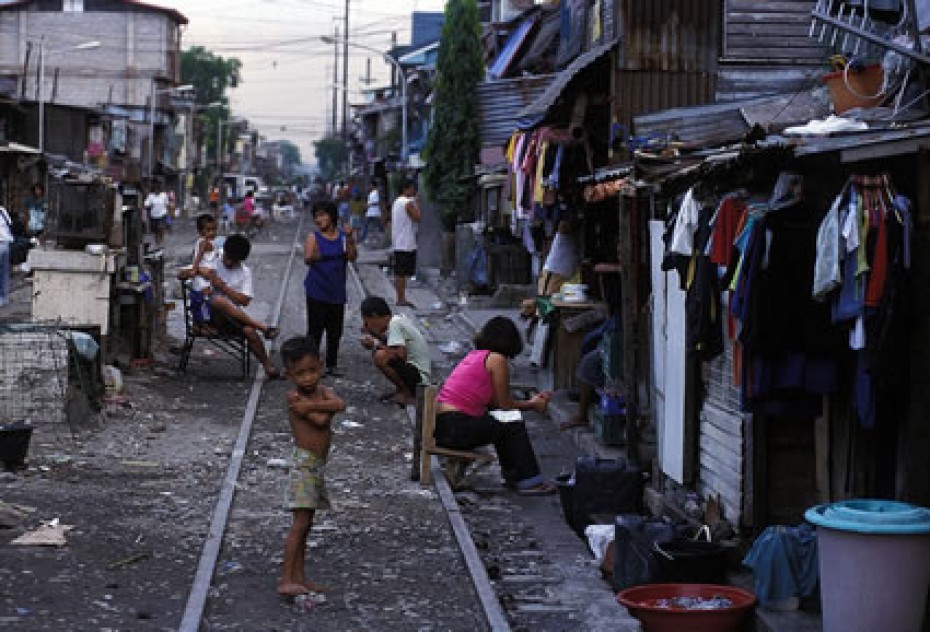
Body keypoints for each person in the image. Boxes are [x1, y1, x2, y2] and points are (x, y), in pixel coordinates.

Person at [434, 316, 555, 495]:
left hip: (444, 426)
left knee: (500, 422)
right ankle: (529, 481)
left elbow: (494, 403)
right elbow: (504, 404)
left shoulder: (475, 356)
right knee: (512, 422)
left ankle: (514, 476)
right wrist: (532, 404)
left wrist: (530, 402)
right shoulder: (496, 359)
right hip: (456, 427)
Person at [278, 336, 345, 597]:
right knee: (300, 523)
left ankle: (300, 577)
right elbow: (320, 420)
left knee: (307, 524)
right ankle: (286, 578)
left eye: (312, 371)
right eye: (300, 374)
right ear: (289, 375)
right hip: (304, 465)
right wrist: (323, 407)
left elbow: (340, 404)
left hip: (316, 466)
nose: (308, 378)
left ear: (321, 365)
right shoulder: (294, 398)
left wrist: (317, 404)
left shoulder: (319, 394)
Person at [178, 233, 281, 378]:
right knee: (217, 300)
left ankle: (267, 366)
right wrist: (200, 271)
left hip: (231, 319)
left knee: (250, 332)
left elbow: (245, 300)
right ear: (224, 252)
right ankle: (263, 327)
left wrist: (224, 288)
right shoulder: (212, 262)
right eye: (227, 258)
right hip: (208, 318)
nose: (229, 263)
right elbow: (181, 274)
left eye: (234, 261)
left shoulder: (245, 272)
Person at [303, 200, 357, 377]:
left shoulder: (342, 237)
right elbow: (308, 257)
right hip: (317, 289)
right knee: (315, 330)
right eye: (317, 216)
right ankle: (312, 365)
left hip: (336, 290)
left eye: (322, 215)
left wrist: (350, 238)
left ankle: (331, 364)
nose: (319, 220)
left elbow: (352, 257)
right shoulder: (313, 237)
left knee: (335, 331)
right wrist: (321, 256)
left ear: (332, 217)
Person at [360, 295, 431, 406]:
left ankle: (408, 393)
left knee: (380, 356)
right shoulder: (396, 321)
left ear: (374, 316)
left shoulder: (395, 323)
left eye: (367, 322)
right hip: (414, 372)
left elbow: (399, 355)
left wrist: (374, 343)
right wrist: (374, 336)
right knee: (381, 353)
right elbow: (391, 346)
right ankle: (403, 390)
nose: (367, 326)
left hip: (420, 378)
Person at [390, 179, 421, 308]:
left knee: (400, 272)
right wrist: (417, 203)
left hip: (399, 241)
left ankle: (401, 297)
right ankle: (401, 298)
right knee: (401, 272)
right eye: (412, 189)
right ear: (406, 189)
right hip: (405, 242)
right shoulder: (407, 203)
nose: (414, 191)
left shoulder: (397, 202)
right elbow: (417, 217)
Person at [144, 182, 170, 246]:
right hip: (154, 216)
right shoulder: (151, 196)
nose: (157, 191)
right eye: (155, 189)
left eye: (158, 189)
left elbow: (167, 204)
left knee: (160, 228)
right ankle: (157, 242)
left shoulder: (164, 195)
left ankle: (161, 240)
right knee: (156, 230)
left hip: (162, 214)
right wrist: (148, 205)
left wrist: (168, 216)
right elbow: (146, 204)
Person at [361, 181, 384, 246]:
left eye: (370, 185)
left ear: (373, 185)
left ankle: (379, 239)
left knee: (376, 226)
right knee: (370, 226)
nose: (369, 186)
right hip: (371, 212)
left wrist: (368, 204)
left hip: (374, 212)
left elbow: (377, 202)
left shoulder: (376, 192)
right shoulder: (371, 193)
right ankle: (366, 238)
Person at [0, 204, 12, 307]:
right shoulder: (2, 209)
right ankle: (4, 298)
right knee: (4, 272)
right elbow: (10, 223)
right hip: (6, 244)